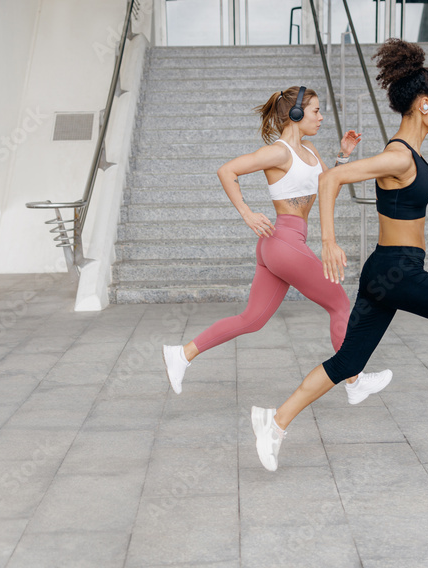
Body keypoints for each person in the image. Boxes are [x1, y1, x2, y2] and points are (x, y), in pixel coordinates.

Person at [251, 39, 428, 472]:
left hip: (387, 270)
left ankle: (275, 421)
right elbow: (331, 180)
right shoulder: (397, 157)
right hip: (398, 269)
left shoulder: (414, 159)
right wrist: (328, 241)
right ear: (423, 104)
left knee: (349, 361)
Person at [163, 85, 392, 404]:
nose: (321, 117)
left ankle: (182, 354)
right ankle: (354, 381)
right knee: (339, 304)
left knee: (252, 320)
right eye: (315, 111)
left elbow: (329, 191)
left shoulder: (310, 151)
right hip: (283, 242)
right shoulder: (279, 152)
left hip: (280, 246)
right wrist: (247, 212)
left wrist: (343, 156)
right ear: (296, 115)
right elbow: (226, 170)